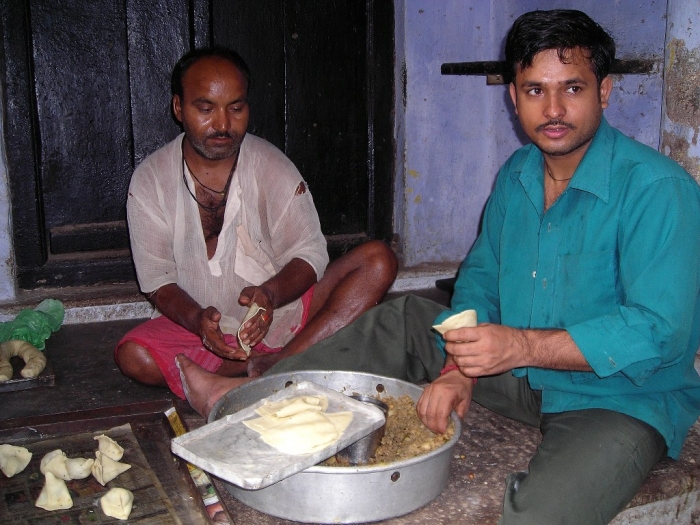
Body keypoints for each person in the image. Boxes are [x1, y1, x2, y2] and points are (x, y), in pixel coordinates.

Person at [178, 10, 700, 525]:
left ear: (604, 92)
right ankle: (251, 400)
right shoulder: (519, 173)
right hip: (515, 374)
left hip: (619, 398)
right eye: (535, 90)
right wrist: (459, 370)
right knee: (404, 320)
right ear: (514, 96)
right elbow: (479, 279)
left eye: (574, 88)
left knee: (543, 514)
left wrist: (518, 346)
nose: (554, 108)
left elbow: (660, 332)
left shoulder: (658, 191)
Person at [114, 46, 398, 399]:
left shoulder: (271, 166)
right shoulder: (150, 180)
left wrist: (269, 295)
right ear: (178, 108)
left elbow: (310, 255)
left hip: (283, 316)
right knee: (135, 357)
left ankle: (277, 365)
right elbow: (157, 282)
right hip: (198, 326)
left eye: (236, 108)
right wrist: (198, 322)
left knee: (377, 260)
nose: (222, 124)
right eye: (205, 108)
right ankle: (266, 366)